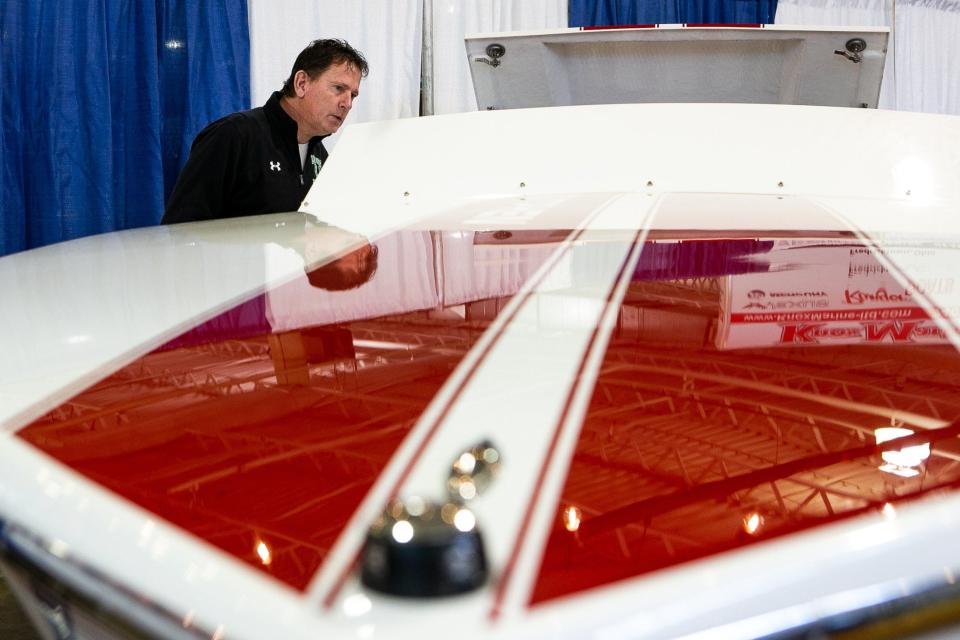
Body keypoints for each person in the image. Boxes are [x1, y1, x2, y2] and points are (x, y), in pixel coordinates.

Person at [161, 39, 368, 224]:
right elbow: (180, 230)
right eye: (338, 89)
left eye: (353, 95)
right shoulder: (233, 135)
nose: (347, 103)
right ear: (301, 83)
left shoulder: (320, 156)